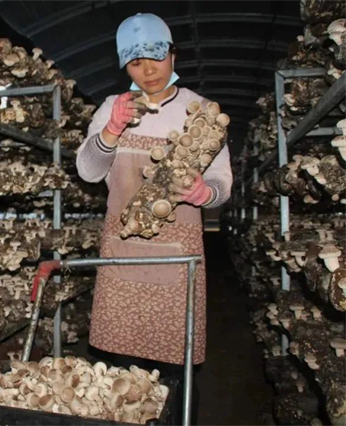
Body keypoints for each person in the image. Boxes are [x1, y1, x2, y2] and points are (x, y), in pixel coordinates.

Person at [76, 13, 233, 422]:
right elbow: (88, 171)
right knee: (119, 370)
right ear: (124, 67)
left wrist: (206, 193)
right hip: (123, 253)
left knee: (174, 369)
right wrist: (111, 131)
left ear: (172, 54)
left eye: (155, 58)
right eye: (135, 62)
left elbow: (222, 181)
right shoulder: (113, 108)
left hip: (178, 258)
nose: (147, 71)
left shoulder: (201, 111)